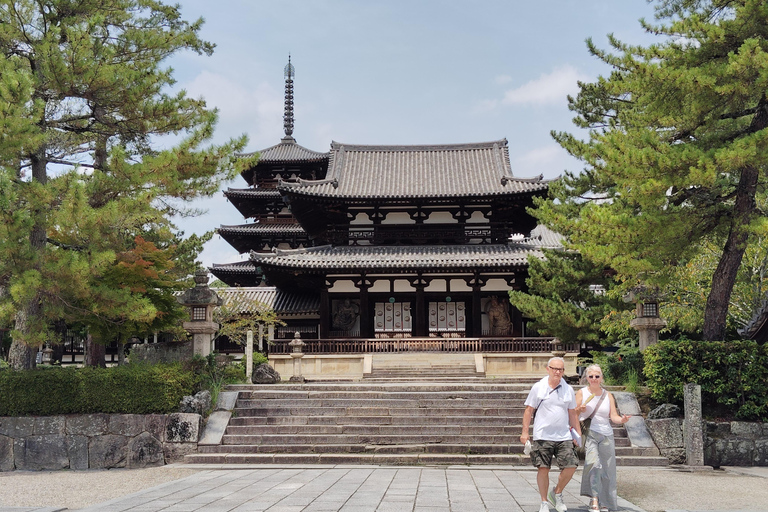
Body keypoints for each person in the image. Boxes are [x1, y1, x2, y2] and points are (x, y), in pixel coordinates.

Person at [521, 356, 581, 512]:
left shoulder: (567, 388)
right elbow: (529, 410)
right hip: (543, 435)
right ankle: (544, 501)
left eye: (560, 369)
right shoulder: (538, 387)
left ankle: (557, 492)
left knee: (571, 465)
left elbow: (572, 413)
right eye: (554, 368)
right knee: (543, 468)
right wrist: (525, 432)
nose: (557, 372)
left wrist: (577, 434)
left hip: (564, 435)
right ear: (548, 369)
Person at [574, 364, 631, 512]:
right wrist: (579, 410)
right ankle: (594, 498)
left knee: (607, 469)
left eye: (597, 376)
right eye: (591, 376)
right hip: (590, 433)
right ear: (586, 378)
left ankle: (606, 501)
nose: (594, 379)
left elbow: (613, 416)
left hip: (606, 434)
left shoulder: (608, 395)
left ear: (601, 378)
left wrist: (622, 420)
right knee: (593, 464)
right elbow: (573, 414)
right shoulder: (581, 393)